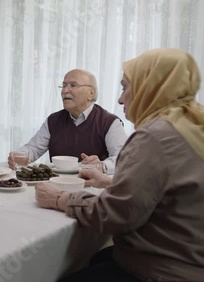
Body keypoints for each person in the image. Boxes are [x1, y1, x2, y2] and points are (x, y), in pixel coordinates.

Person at [36, 48, 204, 281]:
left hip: (162, 269)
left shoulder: (154, 135)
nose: (120, 98)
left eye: (125, 87)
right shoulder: (192, 125)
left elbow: (117, 215)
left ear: (152, 86)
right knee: (94, 258)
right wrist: (112, 182)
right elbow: (169, 188)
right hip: (191, 260)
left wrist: (59, 199)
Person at [8, 69, 127, 174]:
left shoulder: (109, 122)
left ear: (91, 93)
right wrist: (19, 155)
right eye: (64, 85)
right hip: (56, 184)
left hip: (91, 187)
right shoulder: (54, 120)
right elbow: (34, 148)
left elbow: (123, 159)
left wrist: (102, 166)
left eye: (73, 85)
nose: (65, 90)